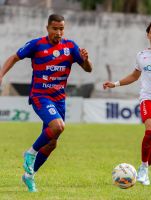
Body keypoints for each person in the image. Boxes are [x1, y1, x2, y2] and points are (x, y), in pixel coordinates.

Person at [0, 14, 92, 192]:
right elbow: (13, 58)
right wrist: (1, 74)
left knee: (51, 144)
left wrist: (85, 59)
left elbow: (88, 70)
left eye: (61, 29)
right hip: (40, 96)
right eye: (55, 28)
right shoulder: (37, 44)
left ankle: (29, 176)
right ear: (47, 28)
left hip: (59, 99)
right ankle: (30, 153)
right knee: (58, 126)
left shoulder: (71, 47)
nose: (58, 32)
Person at [103, 21, 151, 186]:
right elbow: (134, 76)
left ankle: (144, 170)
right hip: (148, 98)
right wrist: (115, 84)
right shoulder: (141, 55)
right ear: (147, 35)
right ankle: (144, 167)